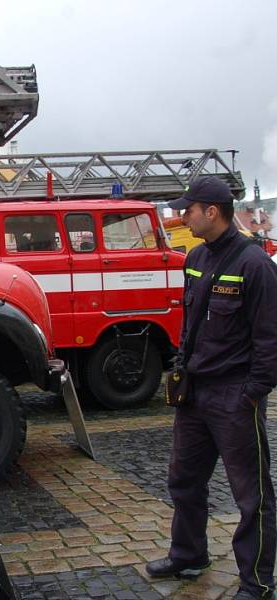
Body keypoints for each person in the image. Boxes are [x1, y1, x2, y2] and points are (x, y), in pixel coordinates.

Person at [145, 176, 277, 600]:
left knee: (251, 495)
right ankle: (188, 554)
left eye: (189, 209)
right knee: (183, 480)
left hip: (235, 394)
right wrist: (182, 368)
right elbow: (191, 322)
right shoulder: (196, 257)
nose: (182, 215)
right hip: (196, 393)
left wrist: (252, 393)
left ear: (212, 212)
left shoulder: (256, 266)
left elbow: (270, 338)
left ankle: (257, 582)